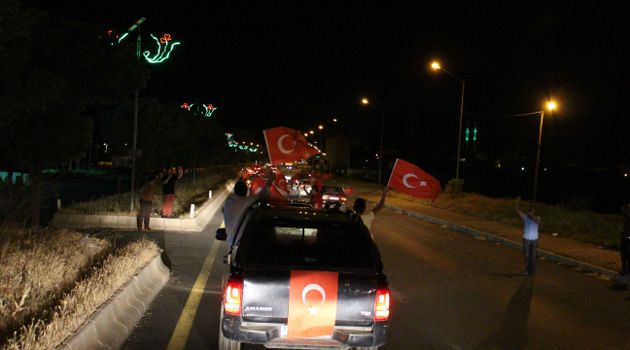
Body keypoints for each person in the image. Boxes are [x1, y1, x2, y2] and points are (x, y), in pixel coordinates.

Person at [223, 180, 258, 247]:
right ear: (245, 192)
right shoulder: (246, 202)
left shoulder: (228, 203)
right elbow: (260, 196)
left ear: (235, 191)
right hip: (247, 244)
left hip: (232, 244)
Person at [516, 196, 541, 276]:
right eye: (530, 209)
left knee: (533, 256)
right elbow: (518, 210)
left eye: (533, 210)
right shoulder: (525, 217)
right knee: (527, 255)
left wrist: (530, 215)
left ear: (535, 211)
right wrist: (517, 202)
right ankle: (527, 270)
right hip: (526, 239)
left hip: (534, 240)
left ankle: (532, 270)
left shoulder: (537, 217)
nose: (531, 211)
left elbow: (536, 221)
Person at [620, 203, 630, 276]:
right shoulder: (626, 217)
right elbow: (622, 209)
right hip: (625, 236)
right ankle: (624, 270)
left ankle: (627, 271)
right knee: (623, 254)